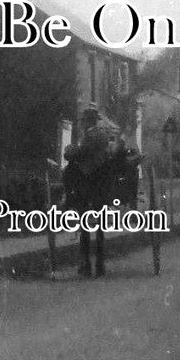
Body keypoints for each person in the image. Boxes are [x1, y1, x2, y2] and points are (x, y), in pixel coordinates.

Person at [64, 104, 113, 278]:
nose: (83, 124)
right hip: (102, 182)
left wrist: (70, 151)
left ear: (87, 122)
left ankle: (86, 265)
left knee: (85, 225)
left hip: (89, 180)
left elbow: (82, 153)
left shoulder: (91, 135)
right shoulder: (103, 134)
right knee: (99, 228)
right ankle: (100, 265)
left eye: (84, 121)